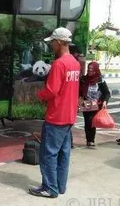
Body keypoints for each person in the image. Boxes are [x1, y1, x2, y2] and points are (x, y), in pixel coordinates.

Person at [29, 27, 80, 199]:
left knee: (48, 154)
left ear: (59, 42)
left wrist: (37, 95)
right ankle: (60, 186)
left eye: (52, 42)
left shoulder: (59, 64)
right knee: (63, 153)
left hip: (57, 116)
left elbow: (51, 90)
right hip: (69, 116)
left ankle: (50, 188)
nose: (51, 45)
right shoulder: (74, 63)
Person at [79, 61, 111, 148]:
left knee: (92, 121)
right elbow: (79, 91)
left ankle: (91, 140)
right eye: (88, 70)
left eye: (92, 70)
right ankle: (88, 140)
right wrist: (80, 98)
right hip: (86, 103)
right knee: (87, 121)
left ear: (96, 71)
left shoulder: (100, 80)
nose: (89, 72)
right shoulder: (83, 79)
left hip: (97, 103)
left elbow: (107, 93)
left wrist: (105, 101)